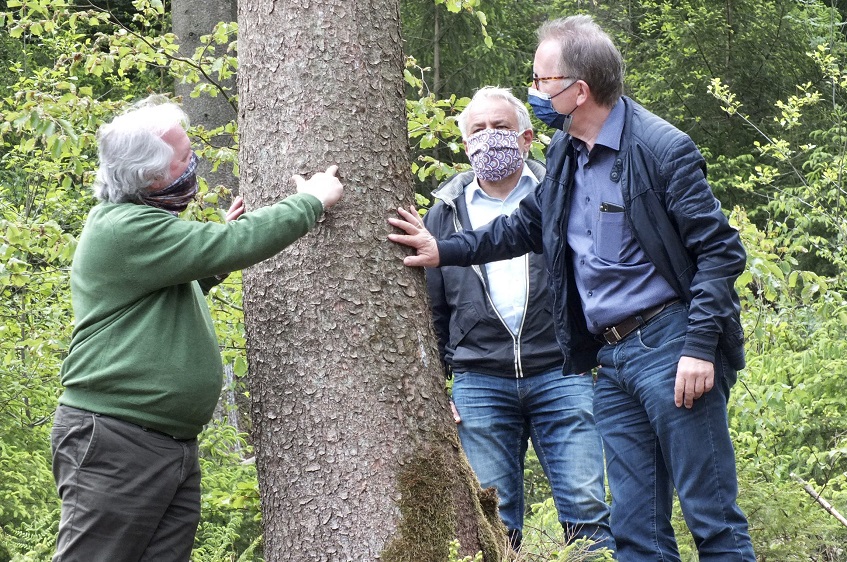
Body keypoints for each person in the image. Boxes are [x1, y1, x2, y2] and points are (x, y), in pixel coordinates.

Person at [389, 15, 756, 562]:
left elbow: (721, 252)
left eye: (540, 80)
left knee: (711, 518)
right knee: (637, 531)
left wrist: (700, 347)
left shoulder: (660, 149)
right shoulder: (565, 153)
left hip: (672, 349)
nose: (533, 90)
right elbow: (524, 226)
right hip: (609, 360)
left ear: (577, 90)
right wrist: (445, 250)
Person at [51, 95, 343, 562]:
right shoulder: (124, 228)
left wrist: (209, 261)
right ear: (151, 175)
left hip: (161, 442)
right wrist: (310, 201)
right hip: (118, 439)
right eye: (186, 159)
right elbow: (235, 244)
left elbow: (161, 297)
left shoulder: (141, 227)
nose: (195, 166)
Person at [423, 86, 613, 552]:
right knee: (493, 522)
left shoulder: (563, 194)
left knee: (587, 509)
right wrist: (434, 386)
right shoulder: (443, 214)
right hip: (478, 379)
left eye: (502, 128)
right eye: (478, 130)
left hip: (562, 372)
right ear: (465, 144)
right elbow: (430, 311)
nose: (490, 138)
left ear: (528, 137)